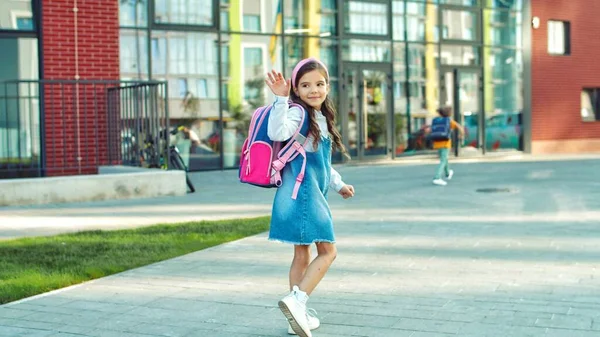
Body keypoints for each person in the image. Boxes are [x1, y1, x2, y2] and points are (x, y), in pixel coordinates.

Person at [265, 58, 355, 337]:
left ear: (328, 86)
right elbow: (275, 132)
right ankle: (297, 300)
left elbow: (321, 162)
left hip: (299, 193)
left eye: (319, 84)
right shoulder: (297, 114)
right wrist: (280, 99)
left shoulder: (319, 117)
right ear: (296, 88)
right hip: (305, 195)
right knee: (328, 251)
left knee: (301, 252)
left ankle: (297, 316)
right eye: (305, 85)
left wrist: (338, 184)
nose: (313, 90)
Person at [428, 106, 464, 186]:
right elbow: (460, 128)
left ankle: (448, 173)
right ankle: (437, 178)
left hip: (437, 142)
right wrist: (461, 136)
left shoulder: (436, 120)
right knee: (443, 160)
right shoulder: (449, 120)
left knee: (444, 158)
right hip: (445, 143)